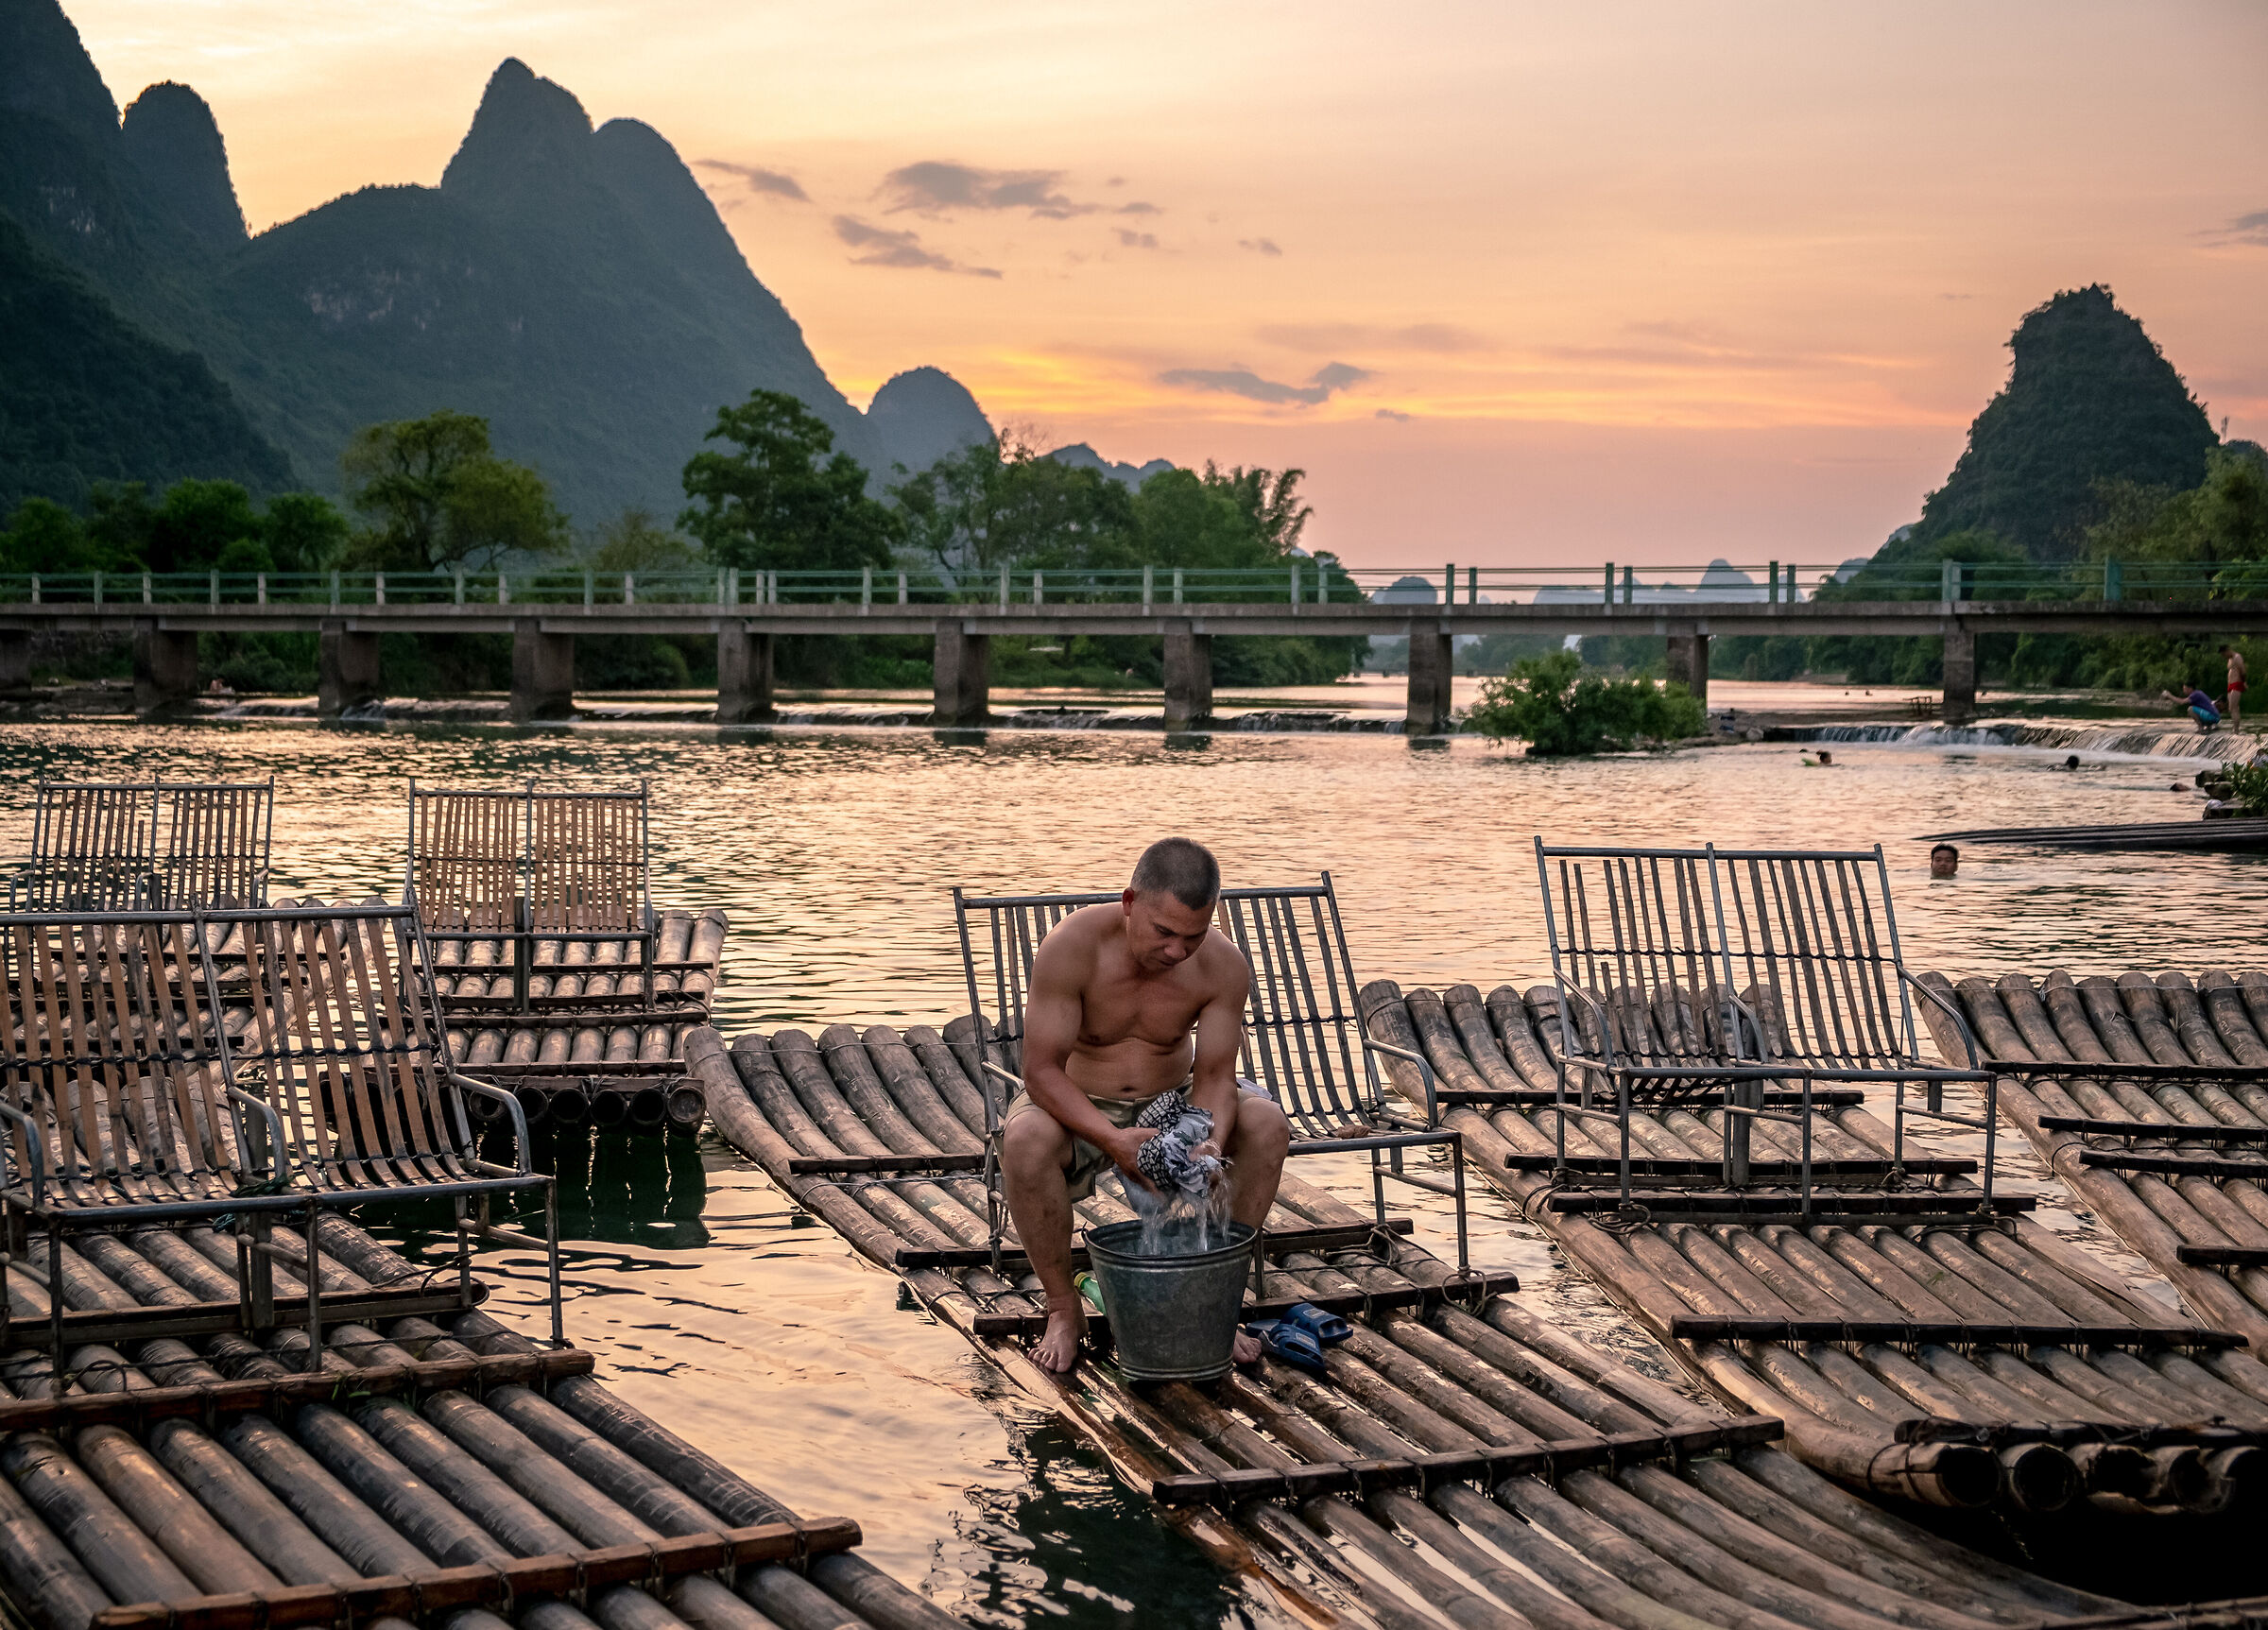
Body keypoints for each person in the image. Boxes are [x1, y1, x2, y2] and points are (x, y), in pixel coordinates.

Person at [1000, 837, 1291, 1373]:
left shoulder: (1224, 966)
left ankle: (1217, 1306)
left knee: (1268, 1123)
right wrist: (1113, 1140)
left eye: (1193, 936)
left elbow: (1215, 1074)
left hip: (1174, 1102)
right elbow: (1040, 1071)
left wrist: (1206, 1146)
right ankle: (1064, 1308)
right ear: (1131, 902)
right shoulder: (1072, 946)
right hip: (1078, 1101)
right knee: (1023, 1140)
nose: (1178, 951)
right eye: (1164, 932)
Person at [2225, 645, 2247, 727]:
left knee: (2232, 708)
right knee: (2233, 708)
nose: (2224, 656)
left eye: (2224, 654)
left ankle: (2236, 730)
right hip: (2230, 685)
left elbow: (2243, 671)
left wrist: (2244, 682)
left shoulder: (2237, 657)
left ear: (2227, 651)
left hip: (2237, 683)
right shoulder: (2230, 659)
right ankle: (2235, 728)